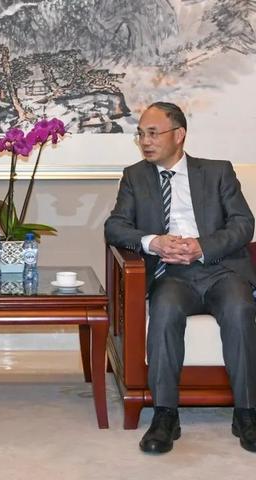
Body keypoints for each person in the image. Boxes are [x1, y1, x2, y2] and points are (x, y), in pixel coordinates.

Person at [105, 101, 256, 454]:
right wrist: (153, 241)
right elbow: (115, 226)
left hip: (220, 269)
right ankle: (165, 416)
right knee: (164, 310)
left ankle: (247, 414)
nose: (145, 141)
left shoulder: (217, 172)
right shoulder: (135, 176)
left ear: (179, 135)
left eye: (153, 133)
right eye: (140, 134)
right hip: (172, 274)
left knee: (239, 308)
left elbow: (243, 223)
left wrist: (202, 246)